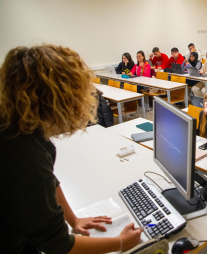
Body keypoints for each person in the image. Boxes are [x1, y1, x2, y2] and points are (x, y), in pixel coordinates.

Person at [0, 45, 142, 254]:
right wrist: (121, 243)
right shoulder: (22, 153)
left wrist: (73, 220)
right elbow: (57, 244)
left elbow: (50, 182)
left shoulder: (17, 122)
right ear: (56, 97)